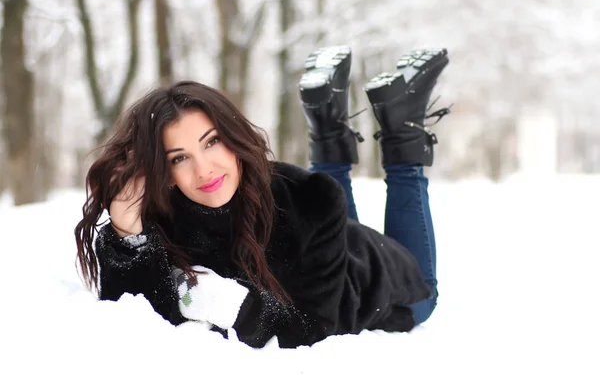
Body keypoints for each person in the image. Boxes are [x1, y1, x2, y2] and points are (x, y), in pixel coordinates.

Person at [75, 45, 450, 349]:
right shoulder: (162, 216)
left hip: (384, 286)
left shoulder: (307, 200)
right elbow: (134, 317)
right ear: (164, 170)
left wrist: (239, 308)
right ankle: (324, 124)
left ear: (234, 138)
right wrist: (127, 232)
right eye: (179, 158)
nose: (203, 170)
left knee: (426, 292)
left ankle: (402, 131)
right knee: (326, 211)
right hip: (328, 249)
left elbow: (316, 327)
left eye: (212, 142)